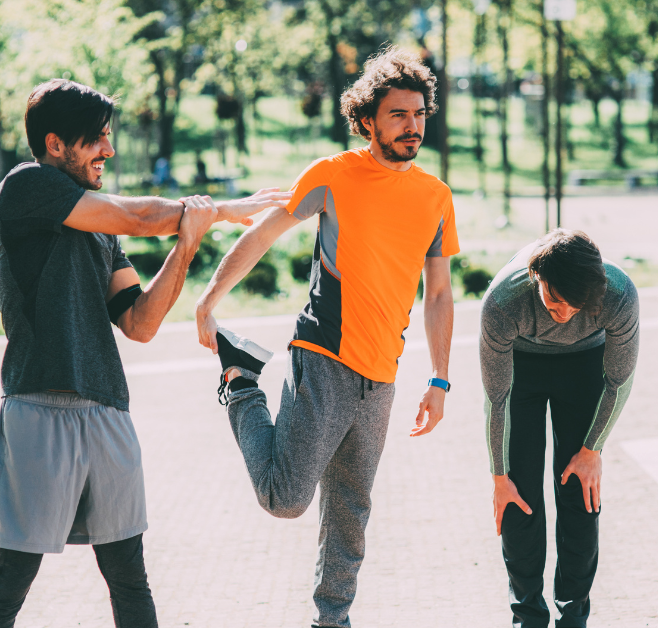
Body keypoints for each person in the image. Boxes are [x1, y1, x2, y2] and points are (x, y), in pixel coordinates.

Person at [0, 79, 289, 627]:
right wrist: (219, 210)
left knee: (129, 578)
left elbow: (140, 322)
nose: (109, 152)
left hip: (107, 410)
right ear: (55, 144)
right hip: (39, 405)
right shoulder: (26, 187)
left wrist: (187, 243)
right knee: (11, 582)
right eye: (96, 140)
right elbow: (140, 217)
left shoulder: (101, 231)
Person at [193, 47, 459, 628]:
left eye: (419, 114)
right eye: (398, 115)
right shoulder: (334, 175)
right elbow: (264, 233)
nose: (412, 126)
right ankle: (241, 381)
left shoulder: (436, 196)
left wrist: (439, 378)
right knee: (285, 498)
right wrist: (209, 299)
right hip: (326, 355)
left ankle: (330, 621)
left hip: (382, 374)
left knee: (351, 513)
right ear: (368, 120)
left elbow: (438, 294)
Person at [481, 229, 639, 628]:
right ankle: (528, 615)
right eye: (554, 299)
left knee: (580, 493)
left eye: (576, 304)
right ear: (538, 278)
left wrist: (593, 450)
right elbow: (497, 397)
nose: (565, 311)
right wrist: (499, 475)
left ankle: (573, 616)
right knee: (519, 496)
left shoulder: (617, 294)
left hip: (584, 366)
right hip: (522, 369)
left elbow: (618, 381)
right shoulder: (503, 302)